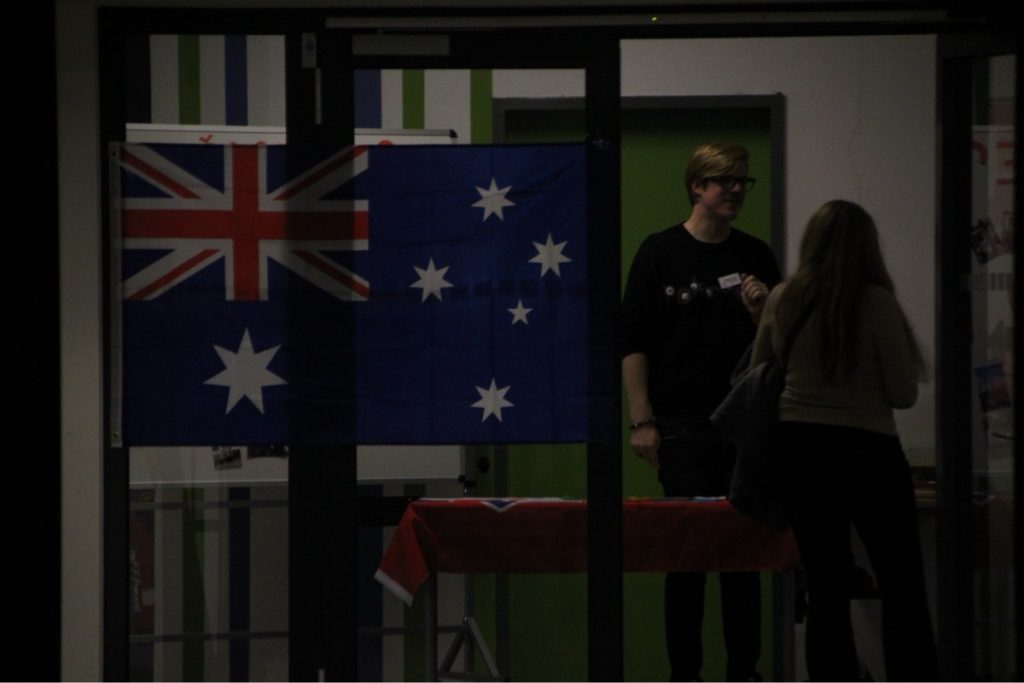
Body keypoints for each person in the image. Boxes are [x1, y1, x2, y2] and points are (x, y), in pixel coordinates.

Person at [749, 199, 938, 681]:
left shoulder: (782, 298)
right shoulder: (876, 303)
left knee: (825, 585)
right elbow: (903, 393)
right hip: (868, 449)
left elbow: (758, 373)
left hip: (799, 448)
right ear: (867, 247)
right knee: (901, 580)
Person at [621, 142, 781, 682]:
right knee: (686, 560)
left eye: (742, 181)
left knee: (742, 561)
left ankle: (744, 674)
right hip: (680, 427)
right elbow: (633, 340)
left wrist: (761, 314)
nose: (736, 190)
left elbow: (782, 348)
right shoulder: (660, 251)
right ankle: (684, 676)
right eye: (724, 181)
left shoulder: (756, 256)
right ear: (696, 186)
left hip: (744, 427)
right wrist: (642, 421)